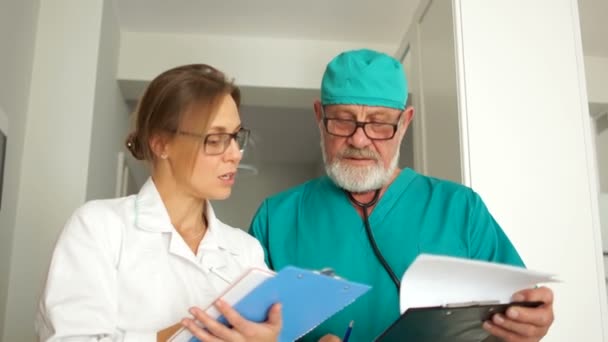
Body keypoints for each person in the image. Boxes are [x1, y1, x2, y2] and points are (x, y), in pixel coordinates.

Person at [249, 49, 554, 342]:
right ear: (319, 116)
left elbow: (514, 316)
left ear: (405, 122)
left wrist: (527, 329)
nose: (359, 139)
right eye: (343, 120)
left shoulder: (461, 209)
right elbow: (242, 332)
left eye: (379, 123)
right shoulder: (275, 219)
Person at [36, 64, 282, 341]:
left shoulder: (246, 251)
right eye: (215, 139)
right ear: (161, 143)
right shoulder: (98, 226)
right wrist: (187, 335)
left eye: (236, 137)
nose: (235, 154)